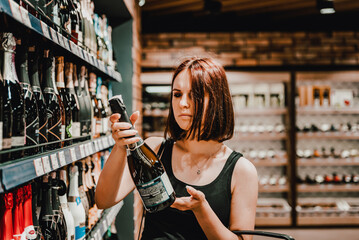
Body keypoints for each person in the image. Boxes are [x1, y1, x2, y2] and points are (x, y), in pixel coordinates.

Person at [95, 57, 258, 240]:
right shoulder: (155, 149)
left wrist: (201, 210)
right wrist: (120, 147)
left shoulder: (241, 170)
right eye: (177, 94)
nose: (182, 104)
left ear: (217, 100)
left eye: (194, 95)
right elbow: (103, 200)